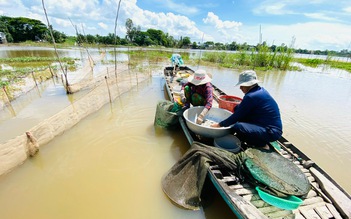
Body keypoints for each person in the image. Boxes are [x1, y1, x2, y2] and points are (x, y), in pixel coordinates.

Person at [211, 70, 282, 148]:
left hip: (271, 132)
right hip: (264, 124)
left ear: (249, 85)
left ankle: (261, 144)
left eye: (242, 85)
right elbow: (239, 110)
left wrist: (219, 125)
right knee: (237, 108)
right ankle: (258, 136)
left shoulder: (251, 96)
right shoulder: (259, 91)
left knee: (238, 127)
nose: (240, 88)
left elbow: (236, 117)